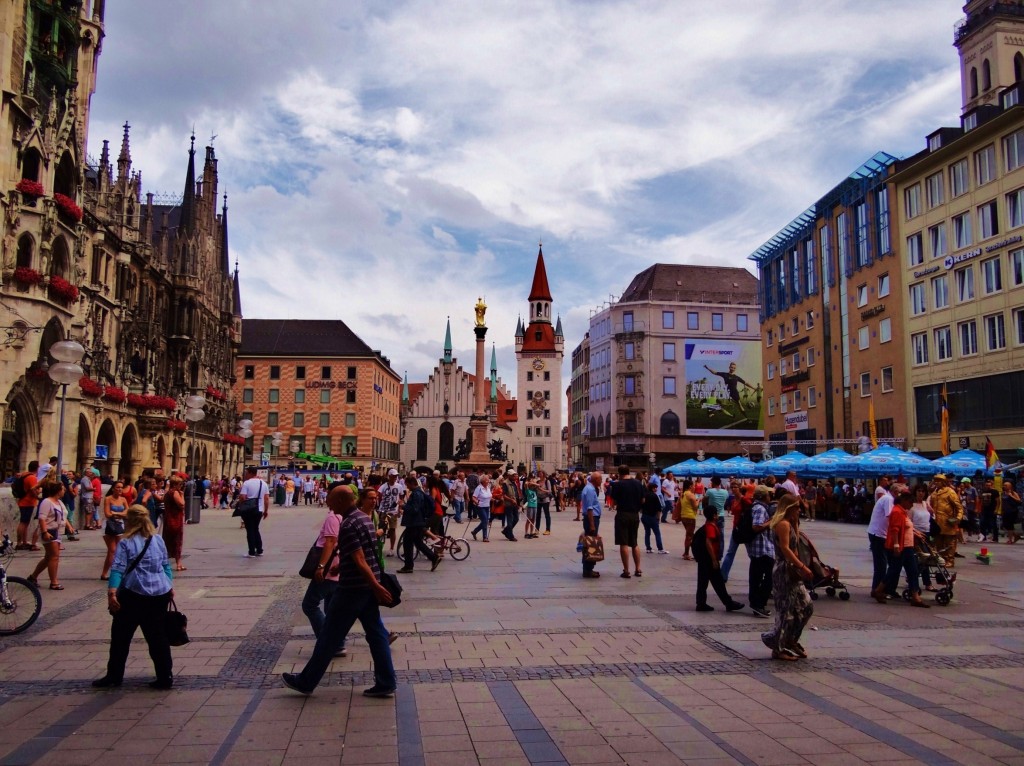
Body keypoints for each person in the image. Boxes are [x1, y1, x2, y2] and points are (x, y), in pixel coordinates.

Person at [282, 484, 396, 697]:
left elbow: (361, 560)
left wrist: (376, 587)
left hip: (352, 589)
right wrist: (339, 566)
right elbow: (360, 553)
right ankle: (386, 682)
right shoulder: (364, 518)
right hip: (365, 587)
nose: (328, 504)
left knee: (329, 636)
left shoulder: (349, 523)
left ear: (343, 501)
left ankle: (306, 682)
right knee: (377, 634)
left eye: (331, 501)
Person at [93, 504, 174, 689]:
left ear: (129, 520)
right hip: (159, 593)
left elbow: (118, 568)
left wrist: (112, 592)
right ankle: (165, 676)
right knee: (158, 637)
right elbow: (165, 566)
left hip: (133, 594)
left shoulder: (126, 542)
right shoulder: (158, 540)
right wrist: (169, 585)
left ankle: (114, 676)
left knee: (121, 636)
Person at [761, 495, 813, 661]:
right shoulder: (783, 524)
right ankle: (779, 647)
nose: (799, 510)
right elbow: (785, 549)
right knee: (786, 611)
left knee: (806, 606)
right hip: (784, 570)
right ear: (789, 507)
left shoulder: (791, 523)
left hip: (792, 569)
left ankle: (791, 640)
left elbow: (795, 547)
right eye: (797, 507)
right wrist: (802, 566)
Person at [302, 484, 347, 656]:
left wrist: (321, 567)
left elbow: (330, 542)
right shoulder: (347, 517)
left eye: (329, 495)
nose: (326, 499)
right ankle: (339, 642)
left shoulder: (332, 517)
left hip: (329, 568)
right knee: (332, 608)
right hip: (338, 567)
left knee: (309, 605)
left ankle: (329, 642)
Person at [692, 504, 744, 613]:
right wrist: (714, 559)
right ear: (715, 515)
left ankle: (701, 603)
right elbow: (708, 542)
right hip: (709, 559)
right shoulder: (711, 527)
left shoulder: (707, 525)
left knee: (704, 582)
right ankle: (728, 603)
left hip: (704, 559)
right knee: (718, 582)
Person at [883, 491, 929, 607]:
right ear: (904, 501)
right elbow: (894, 529)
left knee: (912, 571)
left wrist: (916, 533)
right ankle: (878, 590)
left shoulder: (903, 512)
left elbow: (906, 527)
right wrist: (896, 545)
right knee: (894, 571)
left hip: (908, 546)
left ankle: (915, 596)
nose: (911, 505)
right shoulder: (897, 511)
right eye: (910, 502)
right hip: (902, 547)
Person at [28, 479, 73, 590]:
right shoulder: (47, 502)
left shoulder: (59, 502)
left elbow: (63, 515)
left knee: (48, 557)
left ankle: (33, 577)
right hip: (50, 531)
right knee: (54, 557)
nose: (64, 491)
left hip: (58, 532)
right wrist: (44, 532)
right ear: (58, 491)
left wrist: (69, 526)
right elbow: (42, 518)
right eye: (63, 489)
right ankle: (54, 582)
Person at [397, 475, 442, 573]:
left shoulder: (416, 494)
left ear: (411, 483)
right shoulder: (418, 493)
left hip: (414, 523)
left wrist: (403, 506)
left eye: (407, 484)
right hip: (417, 522)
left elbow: (415, 509)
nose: (406, 487)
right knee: (418, 542)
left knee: (407, 543)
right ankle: (434, 558)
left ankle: (408, 566)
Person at [607, 465, 644, 578]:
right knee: (634, 543)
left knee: (623, 543)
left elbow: (613, 502)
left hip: (622, 514)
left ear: (619, 473)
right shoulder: (638, 483)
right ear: (629, 471)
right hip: (635, 515)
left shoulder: (618, 484)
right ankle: (638, 569)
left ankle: (626, 570)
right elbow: (643, 500)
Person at [747, 486, 774, 618]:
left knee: (756, 577)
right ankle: (758, 604)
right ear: (763, 496)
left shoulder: (756, 507)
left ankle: (757, 604)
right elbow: (756, 527)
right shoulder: (760, 509)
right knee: (767, 578)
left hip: (759, 549)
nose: (770, 497)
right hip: (761, 549)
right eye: (769, 495)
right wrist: (771, 521)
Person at [867, 481, 895, 603]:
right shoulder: (888, 499)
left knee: (883, 563)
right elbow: (890, 517)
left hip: (880, 534)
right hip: (878, 534)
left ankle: (880, 588)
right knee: (881, 564)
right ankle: (877, 589)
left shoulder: (889, 498)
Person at [930, 474, 963, 566]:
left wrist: (958, 518)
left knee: (950, 542)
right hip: (937, 522)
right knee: (938, 542)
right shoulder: (934, 493)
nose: (936, 483)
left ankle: (950, 560)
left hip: (948, 521)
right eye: (935, 481)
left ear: (944, 482)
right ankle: (941, 559)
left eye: (939, 481)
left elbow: (959, 507)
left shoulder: (950, 492)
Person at [237, 466, 270, 558]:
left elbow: (242, 497)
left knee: (250, 530)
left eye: (246, 473)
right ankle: (259, 550)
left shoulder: (247, 483)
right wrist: (266, 510)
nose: (245, 475)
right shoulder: (263, 483)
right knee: (256, 529)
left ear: (251, 473)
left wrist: (240, 505)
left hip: (248, 509)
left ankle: (251, 552)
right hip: (259, 509)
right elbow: (266, 498)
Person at [101, 481, 129, 580]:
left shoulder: (123, 499)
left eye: (121, 487)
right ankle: (106, 573)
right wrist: (120, 513)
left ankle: (116, 571)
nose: (120, 489)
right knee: (112, 550)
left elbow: (127, 512)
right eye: (117, 487)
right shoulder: (108, 499)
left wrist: (116, 513)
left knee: (119, 549)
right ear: (113, 488)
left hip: (119, 525)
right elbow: (107, 514)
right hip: (109, 525)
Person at [580, 471, 602, 578]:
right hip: (591, 519)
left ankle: (589, 568)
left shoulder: (591, 488)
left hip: (592, 518)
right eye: (600, 479)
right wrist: (592, 525)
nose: (601, 480)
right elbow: (589, 508)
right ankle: (588, 569)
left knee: (591, 543)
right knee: (590, 544)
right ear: (595, 480)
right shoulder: (589, 490)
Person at [15, 460, 41, 551]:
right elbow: (34, 490)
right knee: (23, 522)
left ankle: (24, 542)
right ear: (37, 468)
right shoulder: (32, 478)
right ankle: (19, 543)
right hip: (27, 502)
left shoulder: (24, 474)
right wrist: (39, 494)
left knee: (26, 522)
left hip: (23, 501)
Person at [378, 469, 404, 555]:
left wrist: (400, 509)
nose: (395, 477)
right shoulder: (383, 486)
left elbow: (401, 498)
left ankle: (391, 548)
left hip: (393, 511)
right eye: (393, 476)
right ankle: (379, 546)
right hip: (383, 510)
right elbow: (379, 497)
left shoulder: (399, 486)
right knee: (381, 529)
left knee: (392, 529)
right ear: (389, 476)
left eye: (396, 476)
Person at [163, 476, 186, 571]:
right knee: (177, 540)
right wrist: (182, 495)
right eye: (180, 484)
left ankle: (167, 562)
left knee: (168, 541)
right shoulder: (175, 492)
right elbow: (181, 504)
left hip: (168, 518)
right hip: (175, 519)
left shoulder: (168, 492)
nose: (181, 486)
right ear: (175, 484)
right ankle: (178, 564)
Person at [641, 477, 668, 554]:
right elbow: (659, 508)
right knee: (657, 533)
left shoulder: (645, 495)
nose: (656, 489)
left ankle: (648, 548)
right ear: (653, 488)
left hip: (644, 516)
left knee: (647, 532)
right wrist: (658, 518)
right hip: (652, 516)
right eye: (655, 488)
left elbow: (641, 505)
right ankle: (660, 548)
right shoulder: (655, 496)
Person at [678, 479, 700, 559]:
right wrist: (699, 501)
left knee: (689, 535)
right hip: (690, 516)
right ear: (690, 486)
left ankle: (686, 552)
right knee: (689, 536)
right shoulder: (691, 495)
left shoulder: (683, 494)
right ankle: (686, 554)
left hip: (684, 516)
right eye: (693, 485)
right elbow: (695, 506)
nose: (694, 487)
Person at [470, 475, 493, 542]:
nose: (488, 481)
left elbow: (489, 496)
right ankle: (485, 537)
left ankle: (474, 531)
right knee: (485, 520)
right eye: (486, 480)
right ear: (482, 481)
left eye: (488, 480)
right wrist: (476, 502)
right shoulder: (479, 488)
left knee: (484, 521)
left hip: (487, 506)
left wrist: (494, 500)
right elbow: (473, 497)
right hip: (480, 506)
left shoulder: (488, 488)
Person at [979, 479, 1000, 543]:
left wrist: (996, 509)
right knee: (982, 523)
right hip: (984, 510)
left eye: (989, 485)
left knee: (993, 524)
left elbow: (998, 501)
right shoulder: (983, 491)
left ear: (991, 485)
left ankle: (995, 538)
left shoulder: (995, 491)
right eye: (986, 485)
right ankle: (983, 537)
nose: (988, 486)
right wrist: (980, 509)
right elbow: (982, 501)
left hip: (992, 510)